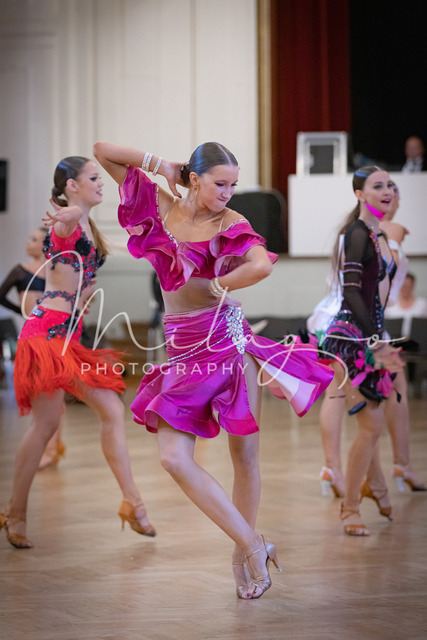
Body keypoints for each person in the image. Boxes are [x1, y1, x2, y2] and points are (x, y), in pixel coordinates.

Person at [93, 140, 333, 599]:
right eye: (220, 183)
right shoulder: (162, 207)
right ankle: (253, 544)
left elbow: (260, 265)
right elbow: (103, 151)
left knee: (245, 457)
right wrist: (160, 165)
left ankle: (242, 558)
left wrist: (220, 283)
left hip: (225, 345)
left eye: (233, 185)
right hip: (183, 351)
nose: (228, 193)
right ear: (195, 178)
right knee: (172, 457)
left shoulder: (231, 222)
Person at [0, 156, 155, 549]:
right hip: (46, 336)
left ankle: (132, 502)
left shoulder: (87, 226)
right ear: (71, 185)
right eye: (93, 177)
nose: (101, 183)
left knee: (99, 413)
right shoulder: (67, 223)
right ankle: (17, 513)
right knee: (52, 424)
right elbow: (64, 224)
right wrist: (68, 213)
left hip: (67, 337)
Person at [310, 183, 425, 498]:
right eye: (383, 189)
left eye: (392, 190)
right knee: (343, 392)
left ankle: (393, 466)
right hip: (349, 322)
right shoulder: (375, 233)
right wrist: (394, 240)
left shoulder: (363, 231)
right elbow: (380, 283)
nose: (391, 196)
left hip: (358, 320)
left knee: (393, 384)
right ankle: (341, 469)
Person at [320, 166, 406, 536]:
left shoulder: (375, 232)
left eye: (390, 185)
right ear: (359, 194)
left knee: (373, 424)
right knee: (371, 426)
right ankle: (350, 508)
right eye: (377, 186)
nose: (387, 191)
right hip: (351, 338)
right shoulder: (356, 233)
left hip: (367, 334)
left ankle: (377, 488)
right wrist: (376, 340)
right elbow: (351, 291)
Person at [0, 228, 67, 470]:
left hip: (56, 335)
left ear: (45, 244)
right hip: (34, 336)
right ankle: (46, 447)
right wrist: (22, 312)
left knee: (55, 392)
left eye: (34, 239)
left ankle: (52, 448)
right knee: (40, 393)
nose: (29, 243)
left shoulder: (56, 270)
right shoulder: (20, 270)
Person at [385, 272, 427, 338]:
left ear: (413, 286)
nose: (406, 289)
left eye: (408, 286)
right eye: (403, 286)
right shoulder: (390, 306)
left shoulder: (423, 305)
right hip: (395, 340)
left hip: (417, 341)